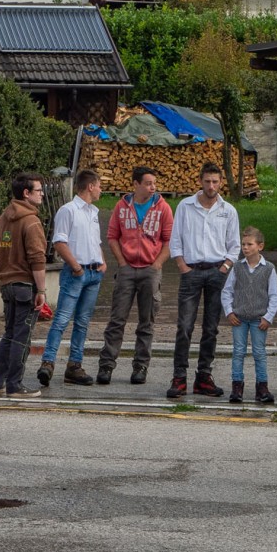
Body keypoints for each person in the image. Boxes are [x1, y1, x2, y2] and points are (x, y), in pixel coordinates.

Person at [167, 161, 241, 398]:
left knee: (211, 328)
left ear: (221, 183)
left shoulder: (228, 210)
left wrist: (225, 267)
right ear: (200, 181)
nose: (211, 186)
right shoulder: (185, 206)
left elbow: (235, 245)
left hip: (217, 272)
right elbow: (175, 239)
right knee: (185, 326)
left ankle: (204, 376)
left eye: (215, 182)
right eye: (207, 181)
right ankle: (179, 377)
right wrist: (182, 266)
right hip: (191, 271)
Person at [96, 165, 174, 386]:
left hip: (151, 270)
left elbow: (169, 240)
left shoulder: (163, 208)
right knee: (117, 319)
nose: (153, 187)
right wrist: (122, 262)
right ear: (136, 184)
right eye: (148, 184)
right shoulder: (122, 207)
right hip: (127, 269)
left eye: (154, 183)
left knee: (146, 322)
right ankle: (106, 364)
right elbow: (112, 236)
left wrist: (157, 264)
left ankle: (141, 366)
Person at [37, 169, 105, 386]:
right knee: (62, 319)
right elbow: (59, 241)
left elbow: (95, 241)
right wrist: (76, 267)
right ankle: (48, 362)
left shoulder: (93, 212)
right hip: (77, 272)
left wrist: (102, 261)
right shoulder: (68, 210)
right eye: (99, 186)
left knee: (82, 322)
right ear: (90, 186)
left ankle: (75, 365)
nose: (101, 190)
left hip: (93, 272)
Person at [0, 172, 48, 399]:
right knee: (22, 338)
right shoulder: (31, 221)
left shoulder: (4, 218)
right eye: (38, 190)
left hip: (6, 283)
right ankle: (15, 385)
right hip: (25, 285)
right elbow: (37, 258)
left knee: (10, 334)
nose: (42, 195)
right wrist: (41, 290)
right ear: (26, 193)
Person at [221, 226, 277, 403]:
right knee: (238, 351)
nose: (245, 248)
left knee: (259, 352)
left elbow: (274, 295)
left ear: (260, 246)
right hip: (239, 318)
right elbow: (227, 291)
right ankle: (237, 386)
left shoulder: (268, 268)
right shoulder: (237, 267)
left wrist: (268, 316)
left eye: (249, 244)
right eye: (243, 244)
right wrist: (229, 311)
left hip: (258, 319)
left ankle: (262, 387)